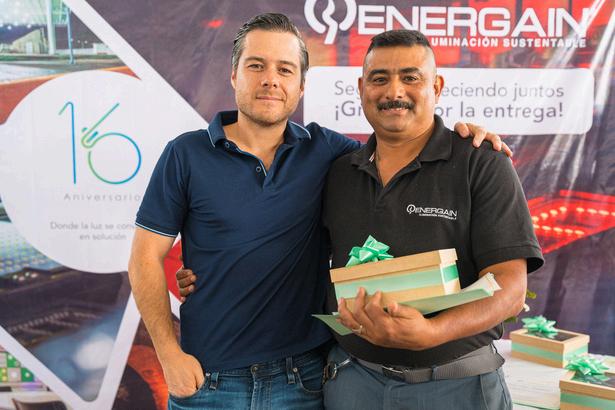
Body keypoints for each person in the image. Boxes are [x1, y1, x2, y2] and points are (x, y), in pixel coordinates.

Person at [130, 14, 510, 410]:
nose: (270, 80)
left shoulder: (330, 153)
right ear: (233, 75)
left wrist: (466, 138)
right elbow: (144, 257)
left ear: (301, 85)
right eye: (256, 66)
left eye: (285, 69)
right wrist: (167, 354)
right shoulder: (185, 154)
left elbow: (403, 148)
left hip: (304, 381)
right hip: (208, 380)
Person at [319, 30, 544, 409]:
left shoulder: (481, 162)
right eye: (379, 78)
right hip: (352, 383)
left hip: (457, 387)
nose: (394, 92)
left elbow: (509, 288)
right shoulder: (339, 172)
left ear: (436, 87)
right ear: (361, 88)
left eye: (410, 77)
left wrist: (432, 332)